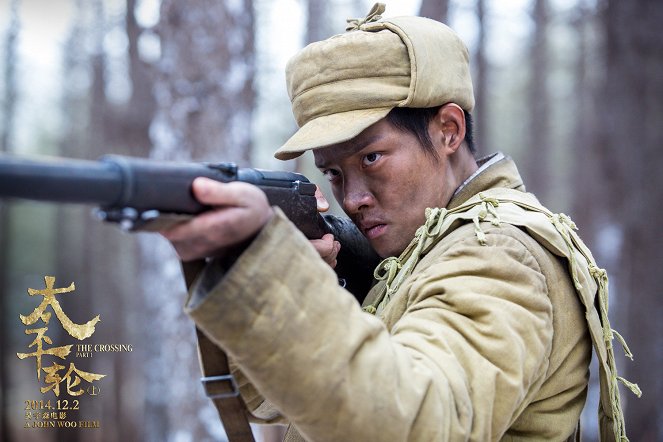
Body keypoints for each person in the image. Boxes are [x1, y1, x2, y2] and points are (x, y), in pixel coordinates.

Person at [161, 3, 638, 441]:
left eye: (372, 157)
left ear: (448, 130)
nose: (351, 199)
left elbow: (417, 424)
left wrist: (278, 281)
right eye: (332, 173)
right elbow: (271, 401)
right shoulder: (417, 251)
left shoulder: (497, 252)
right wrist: (301, 288)